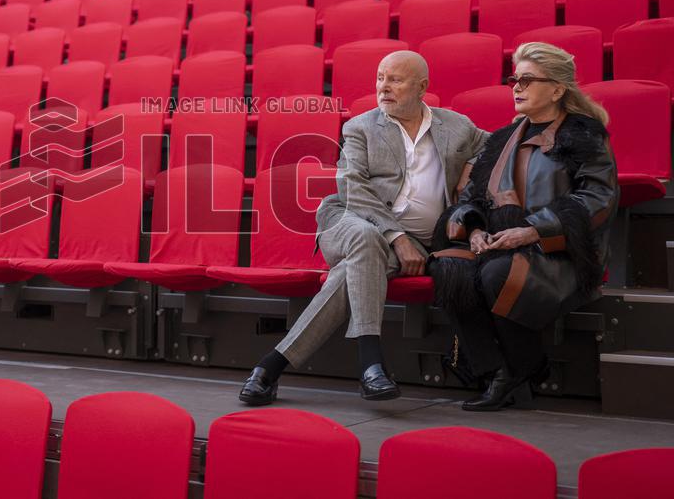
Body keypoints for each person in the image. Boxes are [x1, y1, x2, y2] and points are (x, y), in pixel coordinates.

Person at [238, 50, 487, 405]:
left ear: (422, 87)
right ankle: (371, 361)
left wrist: (471, 167)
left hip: (418, 242)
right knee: (367, 238)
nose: (384, 87)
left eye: (395, 80)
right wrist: (398, 237)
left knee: (352, 271)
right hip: (349, 221)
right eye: (380, 78)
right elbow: (353, 187)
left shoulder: (457, 126)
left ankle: (270, 367)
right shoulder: (360, 127)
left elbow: (498, 144)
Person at [429, 42, 618, 412]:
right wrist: (475, 231)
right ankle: (495, 369)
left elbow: (598, 199)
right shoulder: (502, 138)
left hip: (558, 250)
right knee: (450, 268)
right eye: (515, 79)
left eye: (528, 80)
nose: (517, 87)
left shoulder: (584, 134)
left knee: (499, 272)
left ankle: (522, 367)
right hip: (500, 240)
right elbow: (471, 196)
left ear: (558, 89)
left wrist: (533, 231)